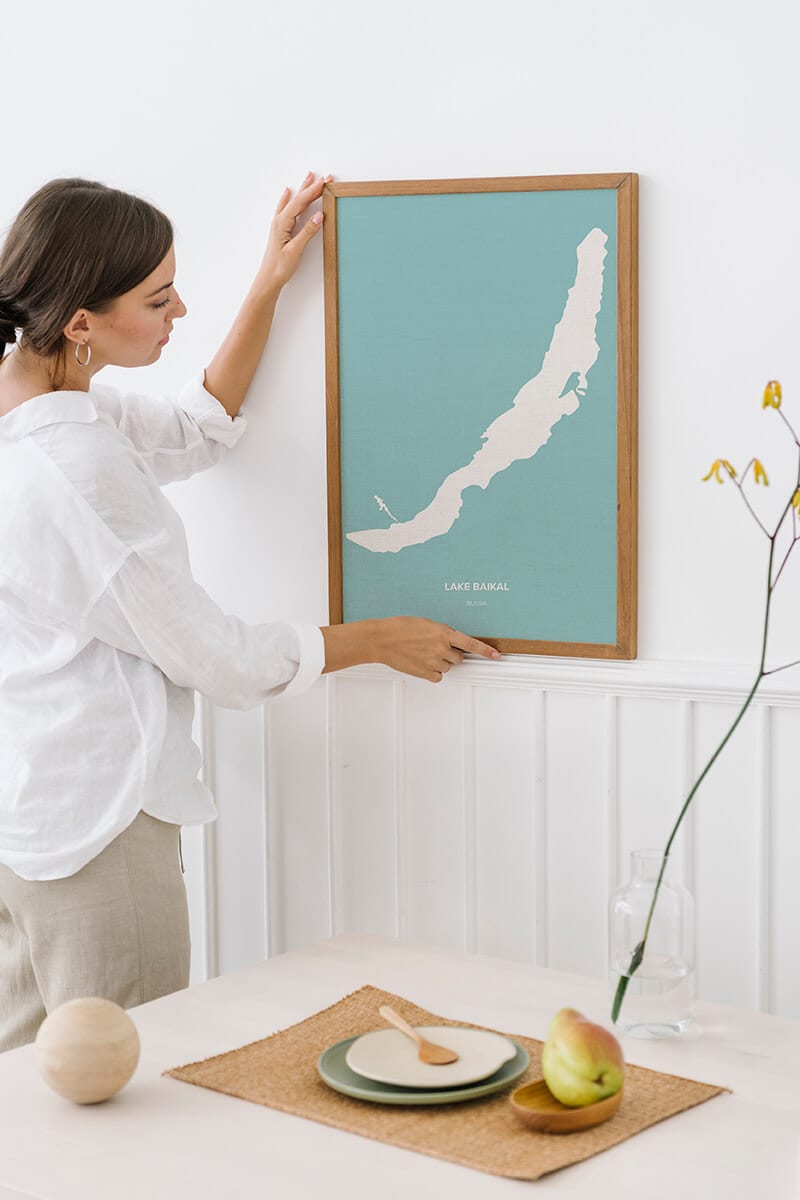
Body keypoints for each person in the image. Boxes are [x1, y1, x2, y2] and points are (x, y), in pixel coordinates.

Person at [0, 174, 500, 1053]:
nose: (179, 307)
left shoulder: (36, 395)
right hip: (97, 835)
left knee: (25, 1101)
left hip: (26, 815)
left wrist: (270, 282)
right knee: (126, 1089)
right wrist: (377, 638)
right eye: (158, 298)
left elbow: (195, 429)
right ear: (79, 322)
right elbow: (217, 658)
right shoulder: (75, 471)